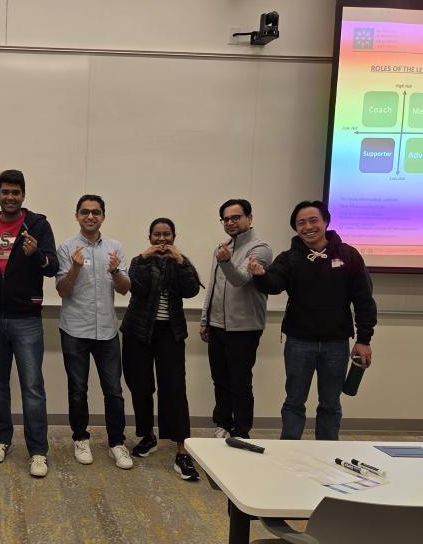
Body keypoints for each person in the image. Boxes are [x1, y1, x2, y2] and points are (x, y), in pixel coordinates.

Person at [248, 200, 377, 441]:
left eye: (313, 220)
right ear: (295, 228)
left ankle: (327, 451)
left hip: (336, 343)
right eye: (301, 223)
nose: (308, 227)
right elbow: (274, 285)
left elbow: (364, 300)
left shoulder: (348, 255)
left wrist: (364, 339)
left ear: (326, 222)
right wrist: (260, 276)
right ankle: (289, 450)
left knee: (330, 404)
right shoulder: (290, 258)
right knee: (294, 401)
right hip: (299, 342)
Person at [0, 169, 58, 478]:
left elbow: (53, 267)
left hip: (27, 319)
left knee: (32, 388)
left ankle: (38, 450)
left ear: (23, 195)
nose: (10, 197)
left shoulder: (37, 225)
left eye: (16, 192)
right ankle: (1, 440)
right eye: (5, 192)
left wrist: (37, 255)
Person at [121, 218, 202, 480]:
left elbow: (190, 290)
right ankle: (148, 436)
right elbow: (135, 287)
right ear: (150, 236)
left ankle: (182, 450)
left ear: (174, 236)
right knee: (141, 385)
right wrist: (145, 257)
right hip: (139, 332)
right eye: (157, 235)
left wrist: (180, 261)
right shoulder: (139, 260)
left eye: (167, 234)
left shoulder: (182, 261)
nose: (162, 239)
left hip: (171, 333)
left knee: (174, 388)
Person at [56, 194, 133, 470]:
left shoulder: (115, 247)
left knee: (114, 391)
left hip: (108, 331)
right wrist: (75, 268)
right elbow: (62, 290)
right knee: (77, 390)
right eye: (85, 212)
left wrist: (115, 272)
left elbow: (124, 288)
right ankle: (80, 438)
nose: (90, 216)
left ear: (103, 216)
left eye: (96, 212)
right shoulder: (66, 247)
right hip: (75, 329)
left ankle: (117, 443)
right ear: (77, 215)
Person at [198, 199, 273, 440]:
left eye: (236, 217)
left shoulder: (260, 249)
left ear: (249, 219)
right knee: (220, 379)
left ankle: (241, 431)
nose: (230, 222)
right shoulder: (223, 247)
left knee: (240, 382)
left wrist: (225, 261)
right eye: (226, 219)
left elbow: (240, 279)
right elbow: (213, 286)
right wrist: (204, 319)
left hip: (245, 328)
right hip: (217, 325)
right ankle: (223, 424)